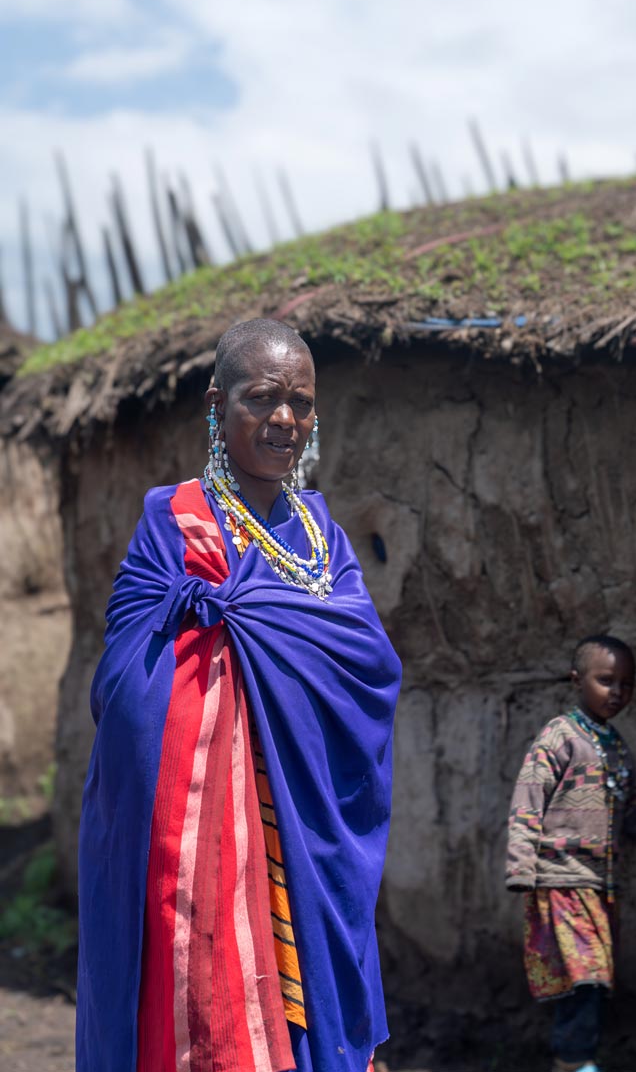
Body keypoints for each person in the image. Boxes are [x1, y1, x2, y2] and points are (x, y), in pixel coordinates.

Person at [78, 317, 402, 1072]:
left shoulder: (324, 531)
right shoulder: (174, 518)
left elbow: (367, 664)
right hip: (207, 829)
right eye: (263, 398)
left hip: (307, 817)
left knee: (306, 1004)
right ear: (218, 404)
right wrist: (220, 650)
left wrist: (259, 638)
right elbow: (128, 669)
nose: (285, 418)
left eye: (301, 402)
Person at [505, 635, 636, 1072]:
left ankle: (573, 1056)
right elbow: (528, 798)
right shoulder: (560, 736)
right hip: (560, 880)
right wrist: (521, 864)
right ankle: (574, 1060)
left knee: (594, 980)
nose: (617, 692)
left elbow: (628, 804)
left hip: (600, 887)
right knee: (584, 976)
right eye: (606, 681)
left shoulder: (617, 747)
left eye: (627, 684)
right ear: (576, 680)